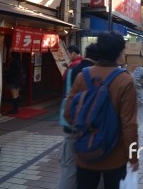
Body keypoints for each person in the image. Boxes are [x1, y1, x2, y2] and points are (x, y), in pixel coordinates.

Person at [64, 31, 138, 189]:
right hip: (114, 157)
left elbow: (68, 114)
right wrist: (133, 156)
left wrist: (85, 129)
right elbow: (129, 125)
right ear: (119, 53)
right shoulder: (125, 80)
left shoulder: (82, 76)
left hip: (85, 153)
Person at [58, 43, 99, 189]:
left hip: (70, 124)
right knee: (92, 167)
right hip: (89, 128)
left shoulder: (72, 70)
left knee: (68, 167)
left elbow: (66, 94)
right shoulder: (97, 73)